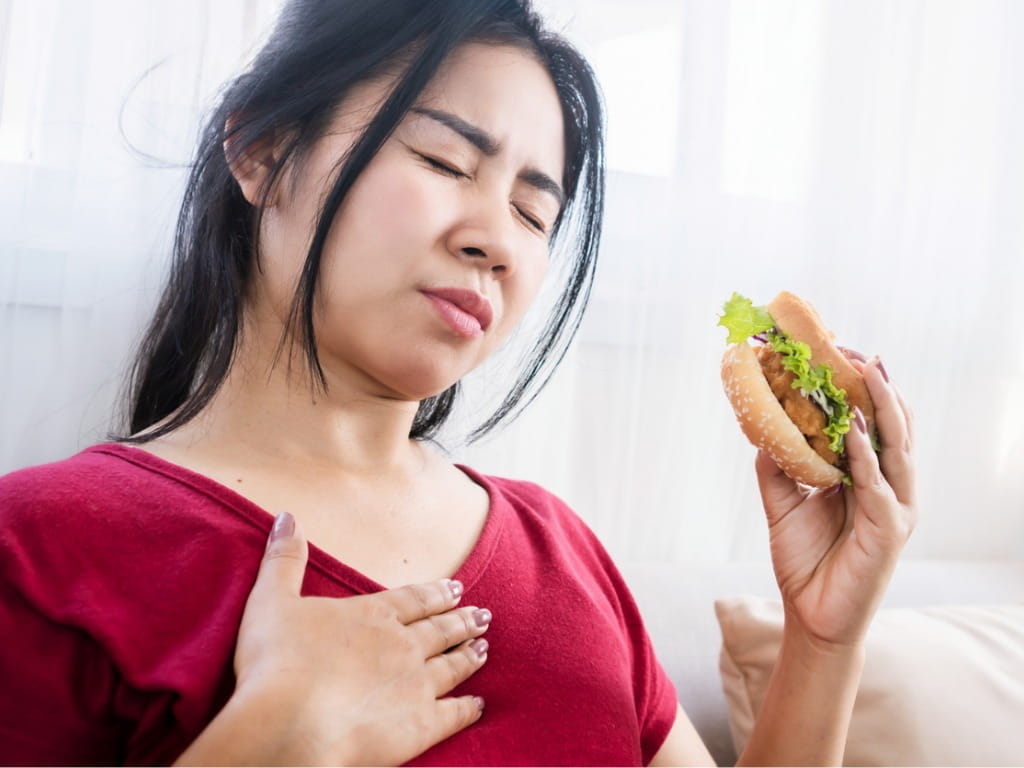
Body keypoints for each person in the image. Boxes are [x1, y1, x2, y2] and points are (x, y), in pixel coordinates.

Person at [0, 0, 917, 765]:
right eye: (443, 162)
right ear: (265, 150)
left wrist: (823, 643)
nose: (495, 239)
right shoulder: (39, 547)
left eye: (532, 210)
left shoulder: (563, 551)